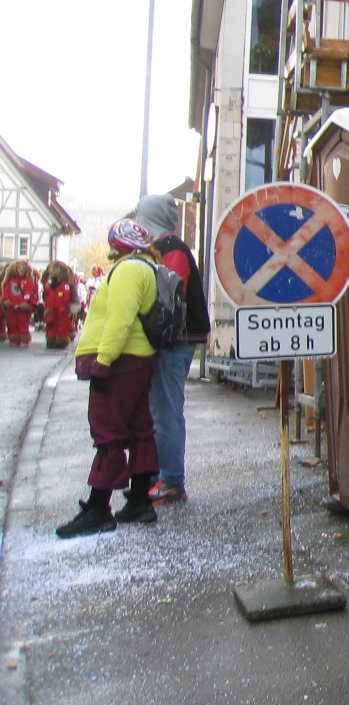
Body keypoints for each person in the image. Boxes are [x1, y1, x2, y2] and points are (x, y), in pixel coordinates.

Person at [56, 219, 163, 538]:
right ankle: (139, 501)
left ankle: (99, 508)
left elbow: (120, 320)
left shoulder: (128, 270)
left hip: (120, 361)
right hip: (139, 359)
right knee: (140, 428)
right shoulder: (148, 267)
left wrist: (103, 362)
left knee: (108, 432)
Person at [136, 193, 207, 504]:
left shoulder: (170, 248)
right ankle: (159, 476)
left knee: (165, 410)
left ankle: (171, 480)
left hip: (175, 340)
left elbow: (168, 296)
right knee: (160, 409)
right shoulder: (165, 247)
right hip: (175, 338)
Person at [41, 260, 79, 349]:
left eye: (54, 269)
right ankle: (51, 338)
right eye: (51, 269)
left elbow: (65, 296)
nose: (51, 271)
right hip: (51, 308)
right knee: (51, 323)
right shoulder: (49, 283)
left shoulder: (65, 284)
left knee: (62, 325)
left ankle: (62, 339)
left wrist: (62, 307)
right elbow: (47, 296)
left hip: (61, 309)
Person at [2, 258, 38, 347]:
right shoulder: (10, 280)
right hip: (11, 306)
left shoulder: (29, 280)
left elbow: (29, 292)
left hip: (23, 306)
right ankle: (15, 339)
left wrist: (25, 302)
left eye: (23, 267)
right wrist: (6, 299)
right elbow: (6, 291)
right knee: (12, 323)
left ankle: (24, 339)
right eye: (19, 267)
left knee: (23, 323)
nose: (21, 269)